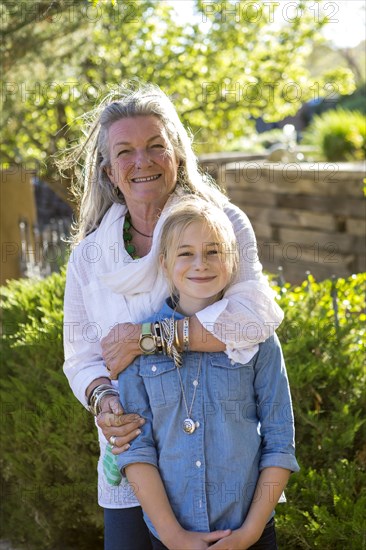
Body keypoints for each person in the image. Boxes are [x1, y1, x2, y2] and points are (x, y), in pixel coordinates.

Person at [62, 81, 285, 550]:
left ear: (178, 155)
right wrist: (105, 401)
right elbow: (81, 355)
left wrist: (148, 339)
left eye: (155, 146)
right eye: (125, 152)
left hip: (223, 464)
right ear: (108, 171)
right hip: (134, 456)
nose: (141, 161)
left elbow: (255, 315)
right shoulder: (89, 257)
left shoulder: (221, 224)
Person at [115, 197, 300, 550]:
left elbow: (280, 442)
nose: (201, 264)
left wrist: (249, 533)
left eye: (214, 251)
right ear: (165, 263)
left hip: (250, 533)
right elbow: (137, 450)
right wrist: (174, 536)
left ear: (232, 261)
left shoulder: (258, 339)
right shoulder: (139, 343)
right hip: (170, 536)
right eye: (186, 253)